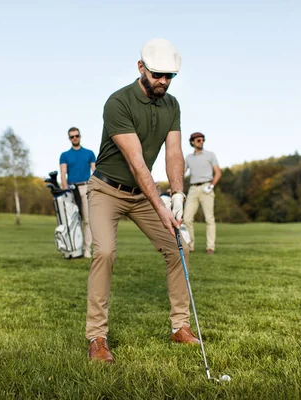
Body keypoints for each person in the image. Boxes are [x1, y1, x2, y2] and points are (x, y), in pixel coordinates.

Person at [86, 38, 199, 363]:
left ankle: (180, 327)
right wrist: (162, 206)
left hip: (142, 195)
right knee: (105, 252)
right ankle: (97, 337)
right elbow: (136, 162)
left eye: (170, 76)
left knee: (179, 247)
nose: (163, 81)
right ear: (141, 68)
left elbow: (174, 152)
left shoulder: (172, 105)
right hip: (106, 190)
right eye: (158, 74)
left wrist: (177, 194)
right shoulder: (118, 102)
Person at [59, 127, 96, 258]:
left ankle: (87, 249)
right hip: (71, 189)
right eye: (72, 136)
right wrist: (65, 190)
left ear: (80, 136)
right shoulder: (65, 155)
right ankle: (74, 248)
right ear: (69, 138)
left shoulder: (89, 153)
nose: (74, 138)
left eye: (76, 136)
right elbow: (63, 174)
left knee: (87, 220)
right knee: (73, 221)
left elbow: (95, 171)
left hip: (86, 188)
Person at [183, 132, 222, 255]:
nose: (201, 142)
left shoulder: (210, 155)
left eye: (202, 140)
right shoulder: (188, 158)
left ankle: (210, 247)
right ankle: (190, 246)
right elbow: (181, 173)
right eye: (198, 140)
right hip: (193, 188)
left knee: (209, 219)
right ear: (193, 142)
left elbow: (218, 172)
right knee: (187, 218)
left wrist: (211, 186)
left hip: (207, 187)